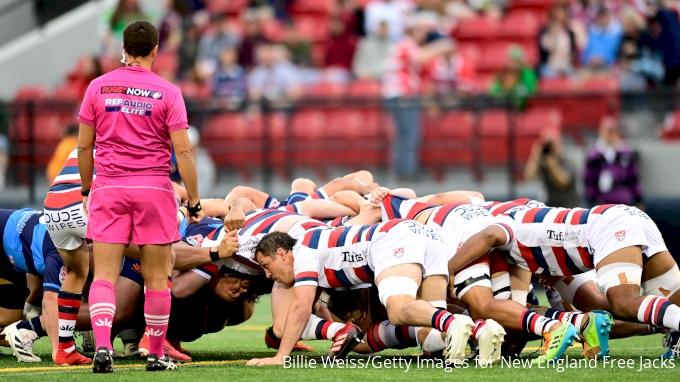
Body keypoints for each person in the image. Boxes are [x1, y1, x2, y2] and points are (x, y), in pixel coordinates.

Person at [77, 20, 203, 373]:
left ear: (124, 48)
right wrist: (193, 201)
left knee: (103, 275)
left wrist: (88, 189)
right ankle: (155, 354)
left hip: (109, 187)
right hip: (154, 189)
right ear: (155, 51)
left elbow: (84, 145)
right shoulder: (168, 92)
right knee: (157, 277)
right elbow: (185, 153)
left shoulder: (97, 87)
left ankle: (103, 348)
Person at [382, 17, 453, 181]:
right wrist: (442, 45)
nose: (423, 35)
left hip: (400, 94)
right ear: (412, 31)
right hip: (402, 95)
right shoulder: (405, 44)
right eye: (420, 31)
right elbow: (420, 58)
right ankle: (406, 173)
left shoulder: (404, 45)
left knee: (405, 135)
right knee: (409, 135)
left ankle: (404, 171)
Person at [584, 117, 643, 208]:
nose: (610, 135)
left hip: (624, 202)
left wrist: (638, 200)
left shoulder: (626, 154)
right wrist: (593, 200)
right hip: (602, 203)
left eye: (613, 132)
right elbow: (589, 182)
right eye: (608, 132)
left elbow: (633, 179)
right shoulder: (594, 156)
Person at [524, 128, 581, 208]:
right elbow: (529, 176)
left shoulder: (567, 162)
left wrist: (552, 165)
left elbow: (562, 182)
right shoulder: (544, 162)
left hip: (568, 208)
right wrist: (536, 156)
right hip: (550, 207)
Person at [490, 45, 537, 109]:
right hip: (504, 107)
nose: (514, 63)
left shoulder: (528, 73)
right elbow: (493, 91)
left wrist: (514, 91)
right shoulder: (502, 73)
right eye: (512, 60)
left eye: (517, 61)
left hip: (524, 108)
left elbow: (531, 91)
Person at [538, 3, 577, 78]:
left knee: (575, 78)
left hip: (566, 65)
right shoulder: (545, 31)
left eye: (563, 12)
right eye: (558, 12)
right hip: (550, 65)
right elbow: (544, 49)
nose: (560, 15)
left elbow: (572, 54)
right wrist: (552, 35)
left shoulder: (570, 33)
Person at [581, 6, 623, 72]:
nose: (603, 19)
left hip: (607, 68)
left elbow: (616, 55)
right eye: (601, 17)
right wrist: (589, 59)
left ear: (609, 17)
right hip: (591, 67)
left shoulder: (617, 34)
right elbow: (585, 54)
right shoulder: (593, 33)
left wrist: (603, 60)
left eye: (605, 17)